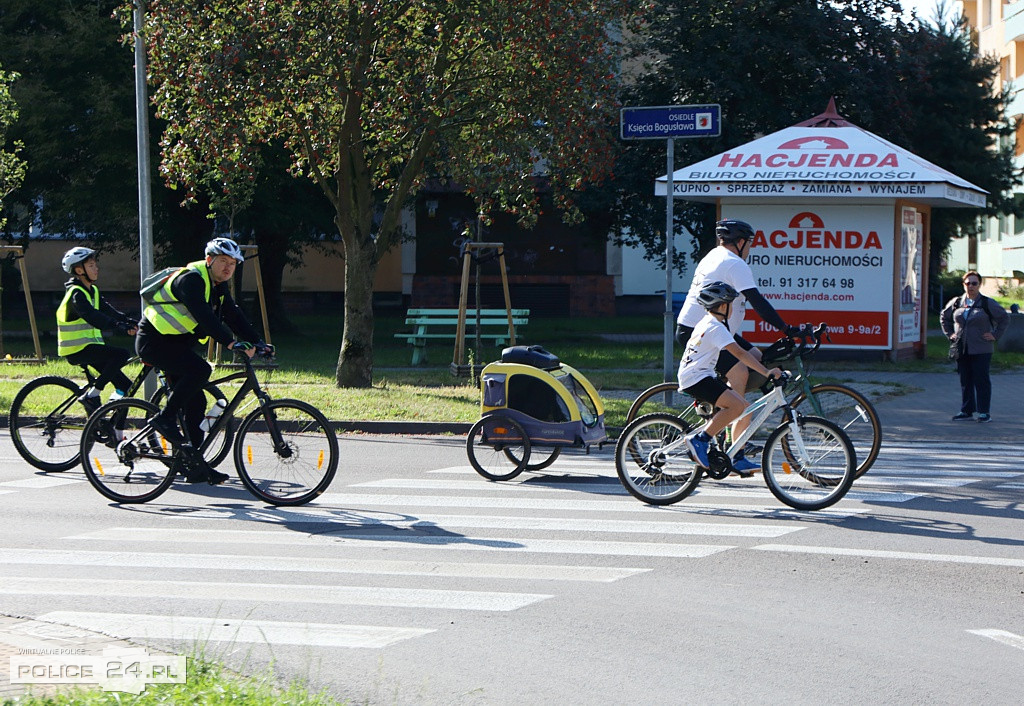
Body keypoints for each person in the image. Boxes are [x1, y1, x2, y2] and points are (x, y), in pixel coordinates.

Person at [137, 237, 268, 483]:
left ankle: (193, 465)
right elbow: (205, 316)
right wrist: (230, 342)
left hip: (175, 344)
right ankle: (164, 419)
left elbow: (233, 315)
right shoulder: (192, 280)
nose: (228, 268)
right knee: (200, 370)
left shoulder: (217, 285)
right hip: (154, 342)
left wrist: (258, 342)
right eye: (223, 262)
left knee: (196, 403)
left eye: (233, 263)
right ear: (209, 260)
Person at [675, 219, 798, 472]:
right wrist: (787, 329)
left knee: (755, 355)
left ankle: (726, 413)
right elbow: (758, 301)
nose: (751, 248)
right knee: (741, 371)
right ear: (740, 243)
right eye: (750, 243)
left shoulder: (714, 255)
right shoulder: (735, 263)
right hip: (705, 331)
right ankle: (735, 448)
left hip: (703, 327)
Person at [678, 281, 784, 476]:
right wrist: (767, 372)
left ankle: (736, 456)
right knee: (736, 406)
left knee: (745, 408)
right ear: (723, 306)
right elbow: (741, 354)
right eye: (731, 305)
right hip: (696, 378)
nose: (734, 309)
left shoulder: (711, 323)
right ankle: (700, 439)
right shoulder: (715, 328)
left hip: (701, 375)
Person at [57, 247, 138, 412]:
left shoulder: (91, 291)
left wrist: (130, 321)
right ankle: (92, 395)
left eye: (95, 265)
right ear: (79, 270)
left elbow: (108, 311)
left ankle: (116, 432)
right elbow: (93, 315)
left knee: (126, 386)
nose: (96, 268)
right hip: (76, 349)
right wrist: (118, 327)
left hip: (90, 347)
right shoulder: (76, 294)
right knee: (121, 354)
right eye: (91, 265)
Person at [940, 271, 1009, 423]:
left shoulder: (986, 303)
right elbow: (944, 317)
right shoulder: (957, 302)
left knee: (981, 380)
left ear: (979, 285)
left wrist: (995, 335)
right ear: (963, 284)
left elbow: (1004, 318)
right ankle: (966, 410)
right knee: (965, 380)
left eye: (974, 283)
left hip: (981, 349)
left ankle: (984, 412)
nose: (970, 286)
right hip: (962, 348)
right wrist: (950, 334)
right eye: (967, 283)